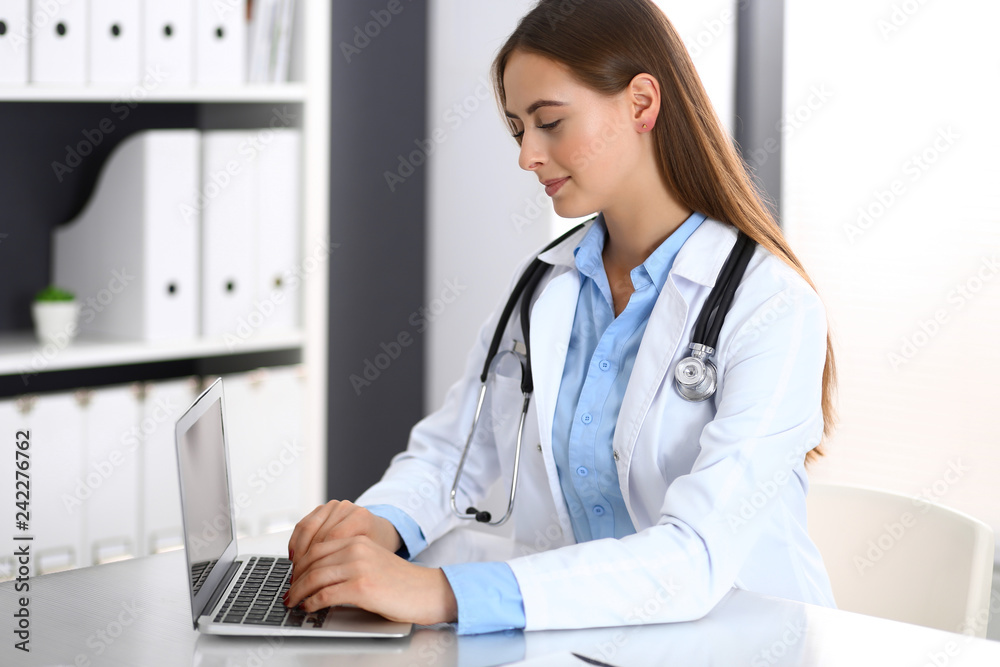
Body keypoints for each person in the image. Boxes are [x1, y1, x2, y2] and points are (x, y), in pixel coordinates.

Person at [283, 0, 838, 634]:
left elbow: (696, 554)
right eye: (519, 129)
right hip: (591, 638)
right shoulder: (544, 286)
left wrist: (442, 594)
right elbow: (451, 456)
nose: (527, 156)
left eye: (549, 122)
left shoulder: (771, 307)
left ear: (641, 104)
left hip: (747, 643)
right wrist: (372, 530)